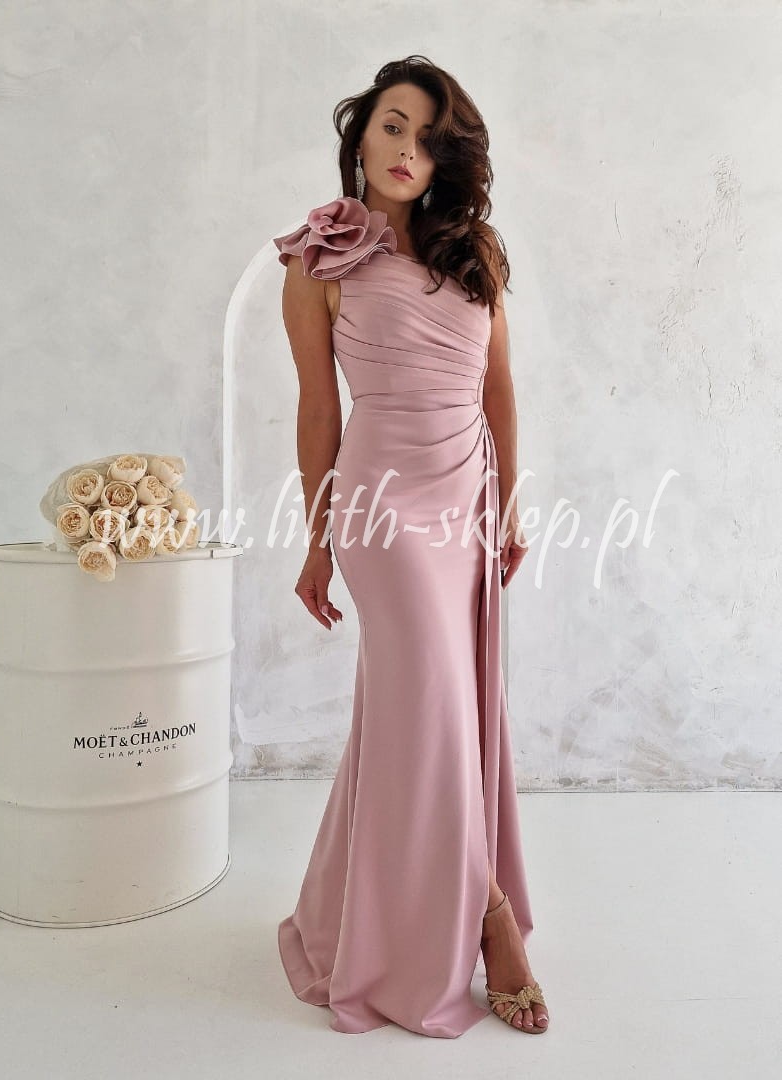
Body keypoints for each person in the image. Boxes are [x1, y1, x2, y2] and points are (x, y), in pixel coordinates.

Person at [272, 55, 549, 1039]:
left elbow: (498, 389)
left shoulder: (476, 252)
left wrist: (507, 506)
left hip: (464, 495)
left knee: (431, 717)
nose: (406, 149)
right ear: (361, 136)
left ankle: (362, 911)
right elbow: (318, 411)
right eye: (392, 125)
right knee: (430, 706)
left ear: (446, 159)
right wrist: (316, 544)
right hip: (380, 508)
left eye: (428, 138)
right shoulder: (317, 262)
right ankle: (490, 916)